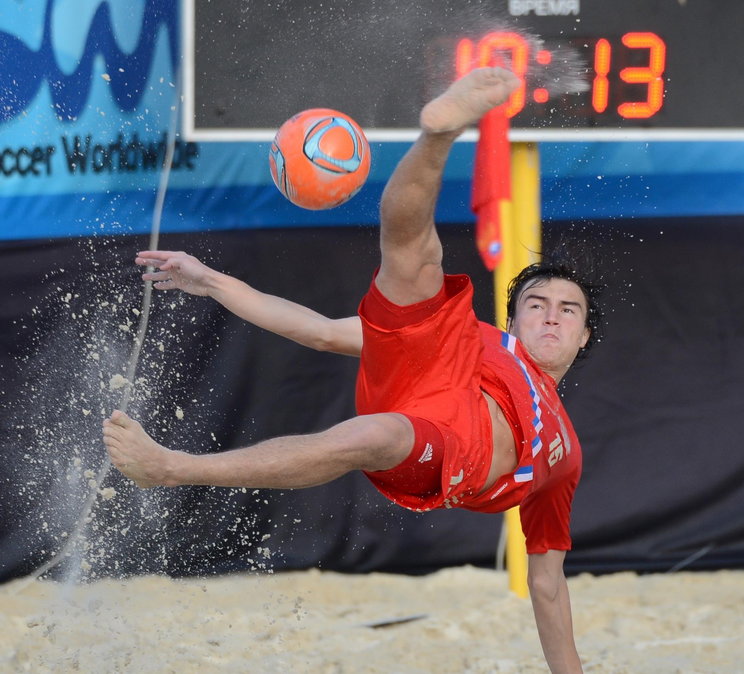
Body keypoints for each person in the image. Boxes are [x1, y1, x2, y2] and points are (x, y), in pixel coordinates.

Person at [102, 67, 601, 674]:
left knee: (377, 434)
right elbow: (316, 330)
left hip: (453, 445)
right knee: (414, 256)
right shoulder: (480, 336)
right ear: (515, 320)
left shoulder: (565, 452)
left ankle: (173, 468)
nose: (551, 317)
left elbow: (547, 583)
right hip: (443, 361)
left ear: (584, 335)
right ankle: (439, 133)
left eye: (567, 310)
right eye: (537, 305)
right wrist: (211, 281)